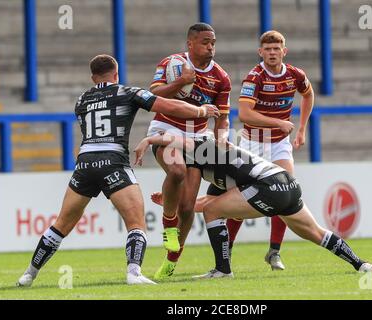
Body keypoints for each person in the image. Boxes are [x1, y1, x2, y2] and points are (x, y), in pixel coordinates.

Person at [16, 54, 220, 287]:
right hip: (113, 160)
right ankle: (134, 273)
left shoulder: (82, 100)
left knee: (61, 224)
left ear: (93, 77)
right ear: (116, 73)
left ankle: (29, 273)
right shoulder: (127, 92)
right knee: (136, 222)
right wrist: (201, 112)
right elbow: (168, 105)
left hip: (85, 162)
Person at [134, 134, 372, 279]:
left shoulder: (201, 147)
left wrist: (149, 139)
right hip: (288, 183)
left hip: (269, 184)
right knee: (316, 233)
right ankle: (361, 264)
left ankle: (223, 270)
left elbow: (205, 204)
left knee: (211, 211)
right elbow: (209, 199)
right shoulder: (218, 167)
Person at [223, 30, 314, 270]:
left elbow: (308, 94)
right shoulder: (254, 78)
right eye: (267, 49)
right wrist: (279, 122)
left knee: (284, 192)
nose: (272, 53)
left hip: (279, 144)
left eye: (276, 49)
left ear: (284, 51)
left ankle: (274, 252)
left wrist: (302, 129)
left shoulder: (295, 75)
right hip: (253, 143)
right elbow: (244, 114)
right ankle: (227, 251)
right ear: (260, 52)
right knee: (240, 200)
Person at [147, 23, 231, 280]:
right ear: (190, 43)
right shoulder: (172, 64)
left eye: (213, 42)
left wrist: (222, 138)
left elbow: (223, 119)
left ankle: (171, 262)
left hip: (196, 138)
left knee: (187, 207)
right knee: (176, 170)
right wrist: (182, 82)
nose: (210, 47)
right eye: (205, 42)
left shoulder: (221, 78)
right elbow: (153, 96)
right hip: (165, 129)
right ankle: (167, 224)